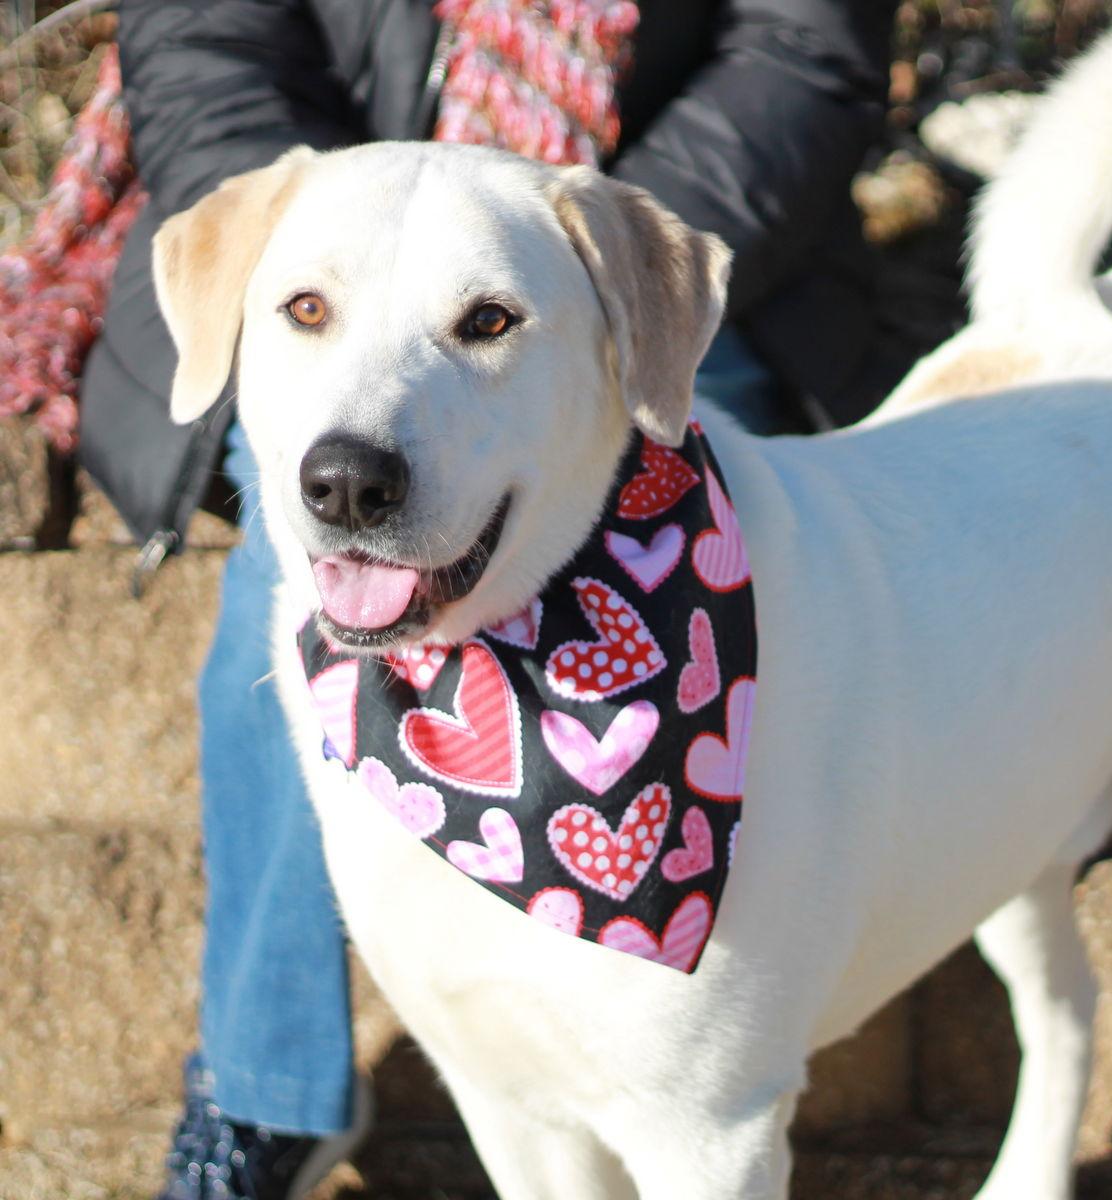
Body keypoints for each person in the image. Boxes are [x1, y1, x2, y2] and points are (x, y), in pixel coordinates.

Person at [77, 2, 895, 1196]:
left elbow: (805, 49)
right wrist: (322, 227)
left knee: (715, 559)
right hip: (326, 224)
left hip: (662, 258)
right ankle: (269, 1085)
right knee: (284, 580)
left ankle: (702, 1011)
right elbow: (203, 43)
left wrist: (571, 241)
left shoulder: (603, 260)